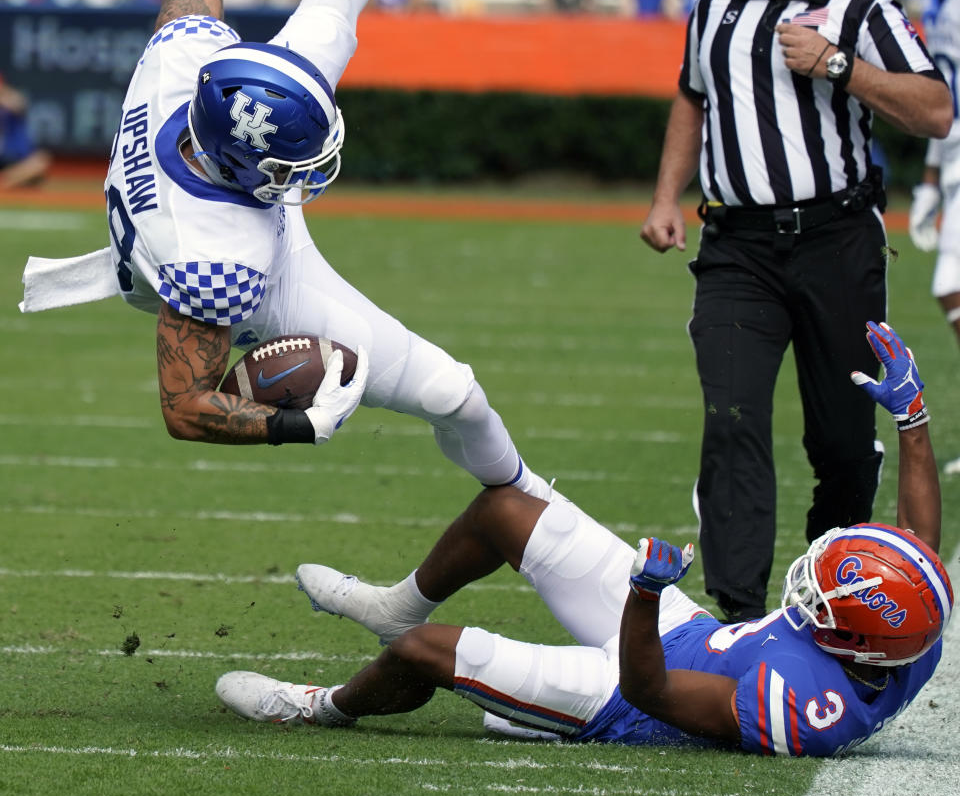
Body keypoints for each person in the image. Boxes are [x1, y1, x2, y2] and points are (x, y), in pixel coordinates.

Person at [19, 0, 553, 504]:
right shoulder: (217, 265)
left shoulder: (186, 57)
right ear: (253, 167)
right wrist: (295, 426)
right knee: (453, 392)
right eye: (291, 168)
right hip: (250, 263)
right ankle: (531, 499)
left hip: (217, 192)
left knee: (329, 8)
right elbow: (183, 407)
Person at [217, 322, 954, 759]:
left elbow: (650, 688)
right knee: (506, 508)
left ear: (852, 644)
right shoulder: (910, 630)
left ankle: (320, 707)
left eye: (819, 601)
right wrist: (913, 417)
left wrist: (643, 594)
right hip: (685, 633)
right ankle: (394, 604)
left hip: (623, 700)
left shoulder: (808, 708)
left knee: (425, 656)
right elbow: (920, 541)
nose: (805, 592)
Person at [640, 0, 952, 623]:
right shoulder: (713, 6)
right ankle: (738, 612)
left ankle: (830, 599)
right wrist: (664, 196)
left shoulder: (864, 9)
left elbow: (937, 110)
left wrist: (840, 66)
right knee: (732, 418)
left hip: (835, 241)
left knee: (844, 443)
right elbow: (692, 95)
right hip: (736, 246)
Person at [909, 0, 960, 475]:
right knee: (950, 284)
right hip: (952, 157)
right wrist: (928, 179)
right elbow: (937, 100)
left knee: (951, 281)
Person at [0, 75, 51, 187]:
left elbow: (19, 103)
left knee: (40, 161)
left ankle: (8, 179)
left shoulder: (9, 99)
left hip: (11, 157)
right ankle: (11, 180)